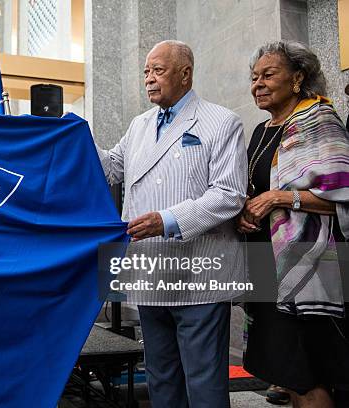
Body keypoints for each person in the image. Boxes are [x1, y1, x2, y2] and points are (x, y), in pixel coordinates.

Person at [97, 40, 248, 408]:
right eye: (146, 71)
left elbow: (229, 194)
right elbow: (111, 167)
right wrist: (72, 136)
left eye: (158, 70)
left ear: (185, 73)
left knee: (204, 382)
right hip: (151, 271)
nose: (148, 79)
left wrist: (166, 220)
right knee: (161, 379)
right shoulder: (138, 125)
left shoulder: (221, 121)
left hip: (201, 274)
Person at [238, 40, 349, 408]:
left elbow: (342, 198)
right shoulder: (260, 131)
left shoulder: (319, 120)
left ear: (298, 77)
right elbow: (254, 190)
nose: (258, 85)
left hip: (308, 271)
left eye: (268, 75)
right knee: (286, 371)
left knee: (307, 375)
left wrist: (280, 198)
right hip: (265, 268)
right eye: (254, 78)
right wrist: (244, 213)